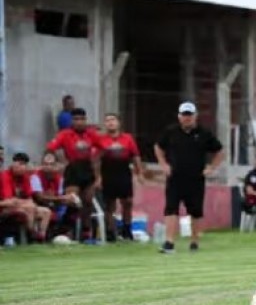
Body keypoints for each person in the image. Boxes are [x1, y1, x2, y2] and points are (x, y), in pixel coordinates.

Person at [154, 102, 223, 253]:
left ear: (195, 116)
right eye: (184, 115)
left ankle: (194, 242)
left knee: (196, 211)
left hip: (196, 178)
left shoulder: (204, 133)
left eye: (190, 115)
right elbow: (158, 147)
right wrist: (163, 164)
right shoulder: (171, 132)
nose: (187, 118)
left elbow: (219, 150)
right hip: (175, 177)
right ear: (179, 117)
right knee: (171, 209)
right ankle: (169, 242)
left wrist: (211, 167)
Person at [46, 108, 102, 239]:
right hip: (73, 169)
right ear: (72, 121)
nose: (79, 122)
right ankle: (64, 229)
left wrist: (98, 164)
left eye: (82, 119)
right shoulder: (65, 134)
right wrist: (57, 162)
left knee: (87, 201)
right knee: (73, 201)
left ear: (85, 120)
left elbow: (104, 147)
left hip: (88, 169)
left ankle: (86, 232)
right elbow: (50, 149)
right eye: (76, 119)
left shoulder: (91, 134)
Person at [99, 113, 144, 242]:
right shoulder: (101, 140)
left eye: (113, 120)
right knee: (109, 205)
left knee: (128, 202)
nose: (110, 122)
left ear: (119, 122)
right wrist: (98, 177)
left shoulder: (128, 138)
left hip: (123, 172)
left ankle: (126, 231)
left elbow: (135, 156)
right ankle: (110, 232)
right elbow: (96, 160)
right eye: (107, 120)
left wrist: (139, 172)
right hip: (108, 173)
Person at [0, 153, 45, 241]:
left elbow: (29, 198)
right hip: (6, 206)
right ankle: (32, 235)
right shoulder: (5, 176)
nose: (22, 167)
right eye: (20, 164)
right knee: (29, 208)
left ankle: (41, 238)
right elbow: (9, 200)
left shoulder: (25, 177)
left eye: (24, 164)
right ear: (13, 164)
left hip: (16, 205)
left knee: (45, 211)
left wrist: (26, 202)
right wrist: (26, 202)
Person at [32, 152, 78, 238]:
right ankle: (45, 235)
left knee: (74, 205)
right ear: (41, 165)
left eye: (51, 164)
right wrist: (61, 198)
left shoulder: (60, 178)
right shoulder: (36, 177)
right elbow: (39, 197)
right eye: (45, 164)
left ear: (56, 165)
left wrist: (68, 199)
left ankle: (63, 232)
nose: (48, 167)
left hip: (55, 205)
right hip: (39, 205)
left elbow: (60, 196)